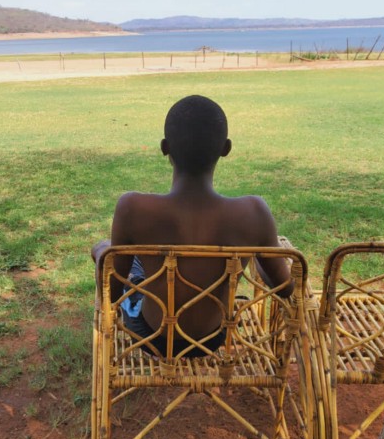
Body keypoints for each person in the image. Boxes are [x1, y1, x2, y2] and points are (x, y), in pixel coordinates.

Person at [92, 95, 292, 357]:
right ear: (226, 148)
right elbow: (285, 287)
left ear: (165, 147)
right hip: (214, 338)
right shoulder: (253, 213)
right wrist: (259, 258)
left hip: (152, 336)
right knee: (135, 261)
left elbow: (112, 291)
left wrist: (100, 254)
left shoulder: (132, 208)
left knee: (113, 252)